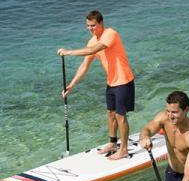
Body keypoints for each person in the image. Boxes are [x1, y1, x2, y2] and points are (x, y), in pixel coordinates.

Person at [58, 10, 136, 160]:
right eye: (88, 26)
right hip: (111, 82)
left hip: (124, 81)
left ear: (101, 23)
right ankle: (113, 143)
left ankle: (124, 149)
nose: (90, 29)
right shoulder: (92, 41)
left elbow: (94, 50)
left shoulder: (110, 34)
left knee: (120, 116)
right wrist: (71, 85)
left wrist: (68, 52)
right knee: (110, 113)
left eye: (93, 25)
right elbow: (85, 66)